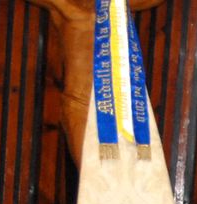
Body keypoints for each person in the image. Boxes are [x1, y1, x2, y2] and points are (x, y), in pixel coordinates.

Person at [22, 0, 169, 169]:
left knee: (128, 180)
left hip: (123, 103)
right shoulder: (66, 5)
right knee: (96, 176)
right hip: (81, 102)